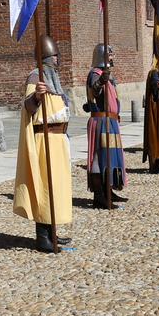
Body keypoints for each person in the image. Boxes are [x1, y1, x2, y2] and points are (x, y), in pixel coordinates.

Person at [14, 34, 74, 250]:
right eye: (54, 56)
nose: (58, 60)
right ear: (46, 59)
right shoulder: (34, 78)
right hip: (44, 141)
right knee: (46, 186)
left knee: (56, 187)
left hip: (58, 140)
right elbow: (28, 106)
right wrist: (37, 97)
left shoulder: (53, 78)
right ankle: (43, 238)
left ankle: (53, 232)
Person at [85, 43, 126, 209]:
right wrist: (101, 81)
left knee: (111, 156)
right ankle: (99, 196)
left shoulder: (107, 74)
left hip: (111, 121)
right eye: (109, 54)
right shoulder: (95, 74)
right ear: (102, 56)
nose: (112, 57)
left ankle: (109, 189)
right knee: (99, 157)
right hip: (101, 121)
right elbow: (95, 90)